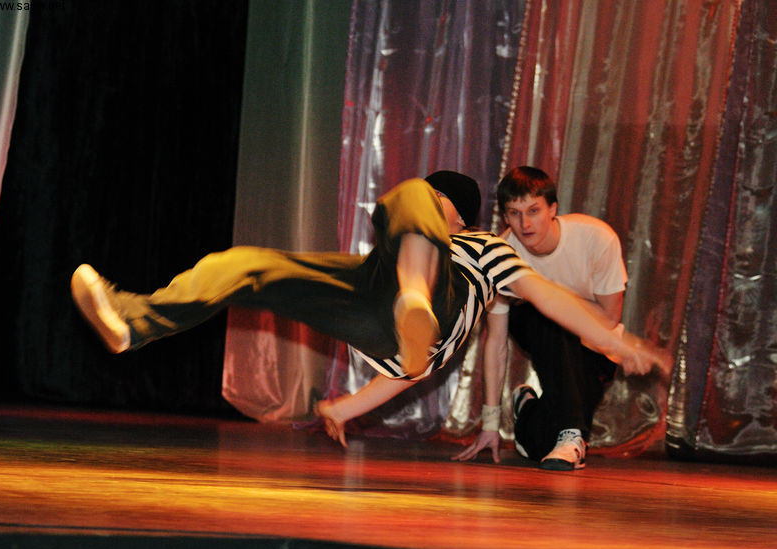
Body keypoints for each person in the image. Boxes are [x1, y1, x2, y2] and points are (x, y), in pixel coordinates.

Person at [71, 171, 665, 453]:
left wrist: (616, 340)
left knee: (408, 197)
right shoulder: (403, 244)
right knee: (244, 263)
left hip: (440, 302)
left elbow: (548, 297)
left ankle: (415, 298)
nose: (428, 202)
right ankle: (134, 322)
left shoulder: (487, 247)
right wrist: (345, 408)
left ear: (457, 214)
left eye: (439, 199)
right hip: (379, 302)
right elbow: (404, 369)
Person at [453, 165, 636, 471]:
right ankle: (572, 436)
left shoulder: (597, 238)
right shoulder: (501, 256)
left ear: (553, 209)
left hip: (596, 344)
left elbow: (609, 318)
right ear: (505, 217)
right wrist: (490, 424)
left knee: (541, 445)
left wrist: (551, 296)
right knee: (549, 316)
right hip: (538, 328)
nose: (525, 224)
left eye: (534, 211)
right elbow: (495, 341)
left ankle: (527, 411)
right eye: (514, 213)